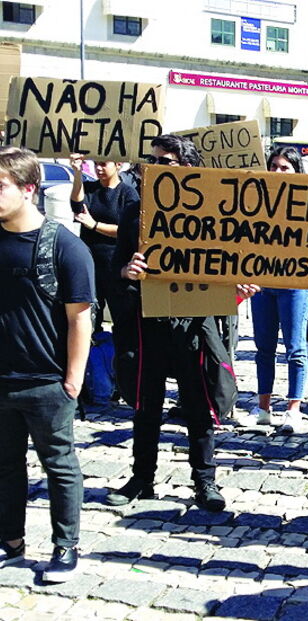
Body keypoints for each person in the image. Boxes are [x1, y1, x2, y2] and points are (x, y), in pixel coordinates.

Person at [105, 134, 257, 511]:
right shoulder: (134, 212)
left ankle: (205, 481)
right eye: (151, 161)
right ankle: (142, 479)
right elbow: (116, 268)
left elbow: (223, 268)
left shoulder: (211, 212)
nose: (154, 168)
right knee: (146, 404)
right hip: (148, 321)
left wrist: (237, 289)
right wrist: (128, 270)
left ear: (187, 169)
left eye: (166, 162)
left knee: (199, 403)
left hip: (194, 322)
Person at [0, 146, 94, 582]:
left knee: (58, 465)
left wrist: (72, 380)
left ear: (28, 189)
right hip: (1, 381)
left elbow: (80, 319)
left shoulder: (64, 247)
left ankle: (65, 547)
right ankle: (11, 542)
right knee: (5, 466)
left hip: (47, 381)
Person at [242, 147, 308, 433]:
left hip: (295, 285)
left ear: (296, 171)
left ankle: (293, 409)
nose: (278, 172)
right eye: (274, 166)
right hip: (262, 283)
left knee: (295, 348)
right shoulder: (256, 199)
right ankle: (263, 408)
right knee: (264, 348)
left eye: (285, 167)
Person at [69, 154, 139, 333]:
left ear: (118, 165)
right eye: (95, 165)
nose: (98, 169)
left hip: (115, 264)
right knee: (92, 315)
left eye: (103, 164)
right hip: (90, 262)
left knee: (121, 318)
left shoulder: (127, 193)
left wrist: (95, 225)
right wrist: (77, 173)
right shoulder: (90, 188)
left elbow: (127, 230)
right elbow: (77, 206)